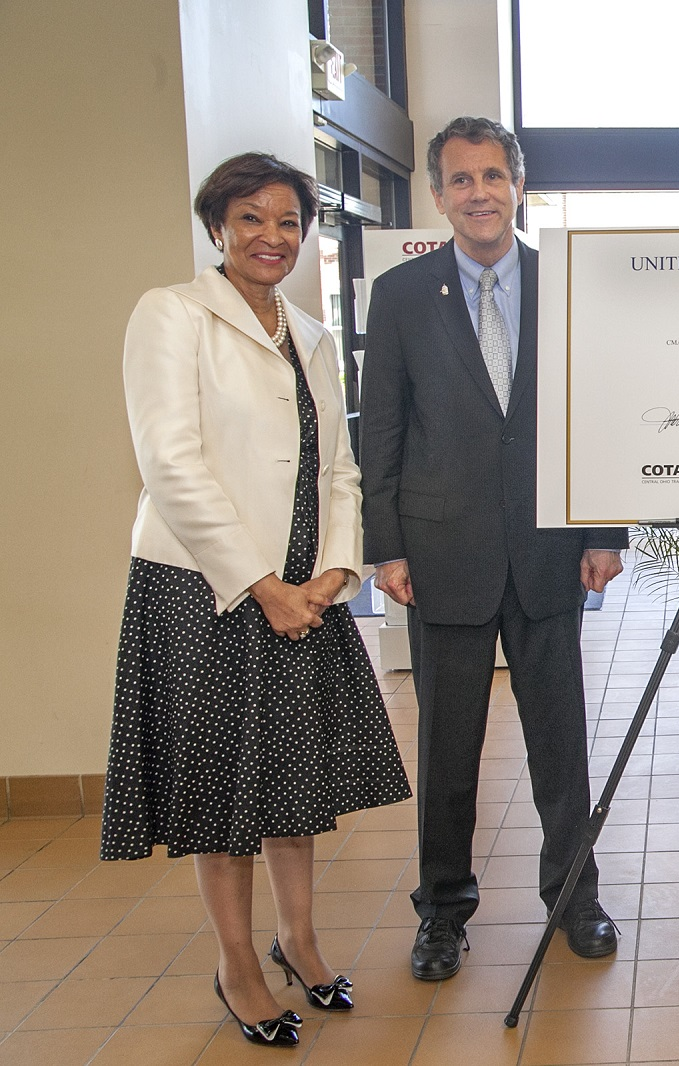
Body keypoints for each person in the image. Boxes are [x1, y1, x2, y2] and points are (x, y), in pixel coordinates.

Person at [100, 153, 411, 1048]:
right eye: (250, 220)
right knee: (224, 792)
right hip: (203, 591)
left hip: (304, 594)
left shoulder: (310, 332)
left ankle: (299, 940)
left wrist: (335, 574)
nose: (270, 238)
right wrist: (261, 584)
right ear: (217, 229)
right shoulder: (171, 315)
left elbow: (339, 469)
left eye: (286, 222)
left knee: (292, 781)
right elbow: (169, 463)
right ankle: (238, 964)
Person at [360, 116, 627, 982]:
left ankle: (574, 897)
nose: (480, 192)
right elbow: (385, 434)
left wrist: (603, 529)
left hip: (550, 553)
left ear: (519, 185)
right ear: (437, 195)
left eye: (494, 175)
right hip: (443, 558)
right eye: (461, 179)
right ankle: (442, 911)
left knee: (561, 745)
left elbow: (598, 416)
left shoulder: (567, 286)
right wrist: (387, 547)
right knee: (447, 751)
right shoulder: (401, 298)